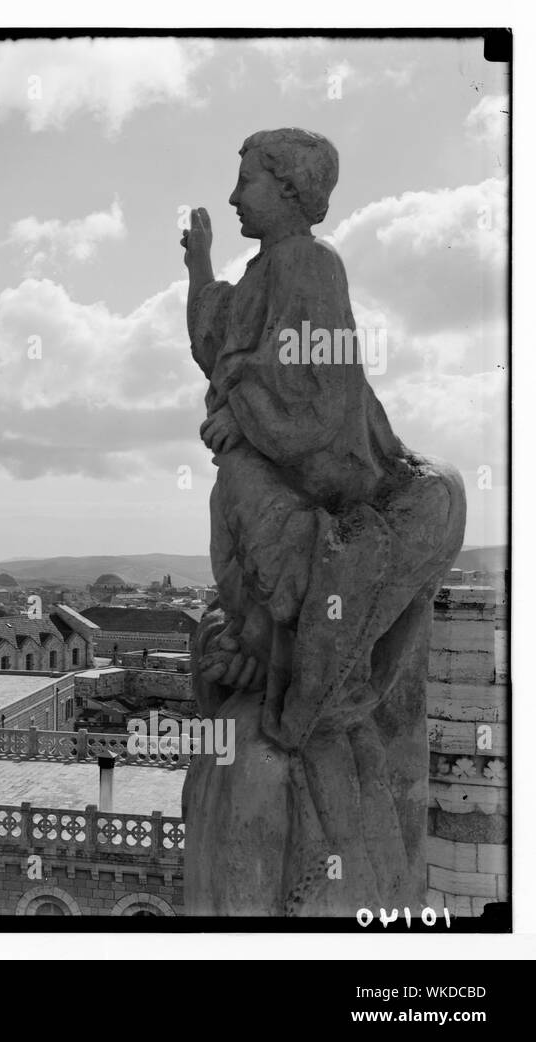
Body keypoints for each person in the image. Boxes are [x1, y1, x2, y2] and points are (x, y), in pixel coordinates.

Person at [178, 129, 466, 916]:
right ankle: (283, 654)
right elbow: (220, 343)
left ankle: (300, 668)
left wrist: (246, 412)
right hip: (269, 472)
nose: (235, 196)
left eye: (247, 182)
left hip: (329, 473)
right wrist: (201, 270)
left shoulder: (311, 264)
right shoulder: (265, 271)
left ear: (291, 189)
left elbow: (324, 392)